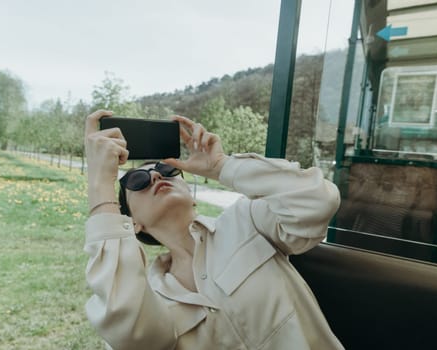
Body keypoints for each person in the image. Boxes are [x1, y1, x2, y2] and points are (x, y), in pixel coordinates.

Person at [84, 109, 344, 350]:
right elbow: (132, 334)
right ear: (133, 222)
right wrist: (100, 186)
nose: (155, 176)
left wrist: (222, 166)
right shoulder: (145, 294)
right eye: (137, 180)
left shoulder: (248, 221)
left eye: (168, 169)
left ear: (192, 194)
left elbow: (318, 201)